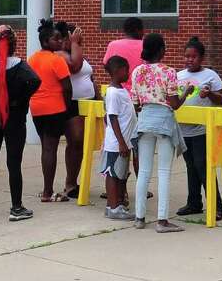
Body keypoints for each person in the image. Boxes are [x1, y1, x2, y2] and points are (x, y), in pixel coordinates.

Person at [0, 25, 40, 221]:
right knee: (14, 163)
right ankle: (16, 208)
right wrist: (19, 99)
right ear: (14, 44)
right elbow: (35, 80)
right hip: (14, 118)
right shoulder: (19, 65)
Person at [129, 33, 185, 233]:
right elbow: (174, 103)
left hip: (144, 121)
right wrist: (185, 93)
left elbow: (135, 103)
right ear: (161, 50)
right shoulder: (169, 72)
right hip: (164, 121)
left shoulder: (137, 72)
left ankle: (139, 217)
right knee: (163, 172)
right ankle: (162, 220)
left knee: (143, 172)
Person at [176, 36, 222, 221]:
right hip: (184, 129)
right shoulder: (179, 76)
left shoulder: (210, 75)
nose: (189, 60)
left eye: (193, 57)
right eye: (186, 56)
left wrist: (210, 93)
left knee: (202, 166)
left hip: (203, 129)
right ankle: (194, 203)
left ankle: (216, 205)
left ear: (201, 58)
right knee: (190, 166)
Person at [29, 20, 74, 203]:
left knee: (45, 147)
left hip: (36, 108)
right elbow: (67, 87)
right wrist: (67, 108)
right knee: (51, 149)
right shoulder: (57, 60)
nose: (60, 41)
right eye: (56, 39)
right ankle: (48, 192)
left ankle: (46, 189)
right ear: (46, 41)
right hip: (54, 108)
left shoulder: (32, 59)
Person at [55, 21, 93, 199]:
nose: (79, 38)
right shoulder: (61, 54)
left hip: (89, 103)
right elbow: (74, 67)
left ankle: (76, 180)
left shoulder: (78, 52)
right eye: (74, 35)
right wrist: (76, 44)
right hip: (73, 104)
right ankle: (70, 183)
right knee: (75, 142)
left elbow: (88, 76)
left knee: (84, 144)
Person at [101, 55, 136, 220]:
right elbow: (112, 117)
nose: (128, 73)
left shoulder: (121, 90)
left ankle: (117, 203)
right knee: (113, 174)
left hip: (124, 142)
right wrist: (121, 142)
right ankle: (113, 206)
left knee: (121, 173)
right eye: (126, 70)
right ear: (118, 71)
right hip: (116, 143)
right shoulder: (113, 92)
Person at [102, 16, 145, 86]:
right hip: (140, 90)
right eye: (143, 30)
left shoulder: (113, 45)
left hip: (119, 88)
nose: (143, 33)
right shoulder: (146, 45)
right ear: (138, 30)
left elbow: (106, 66)